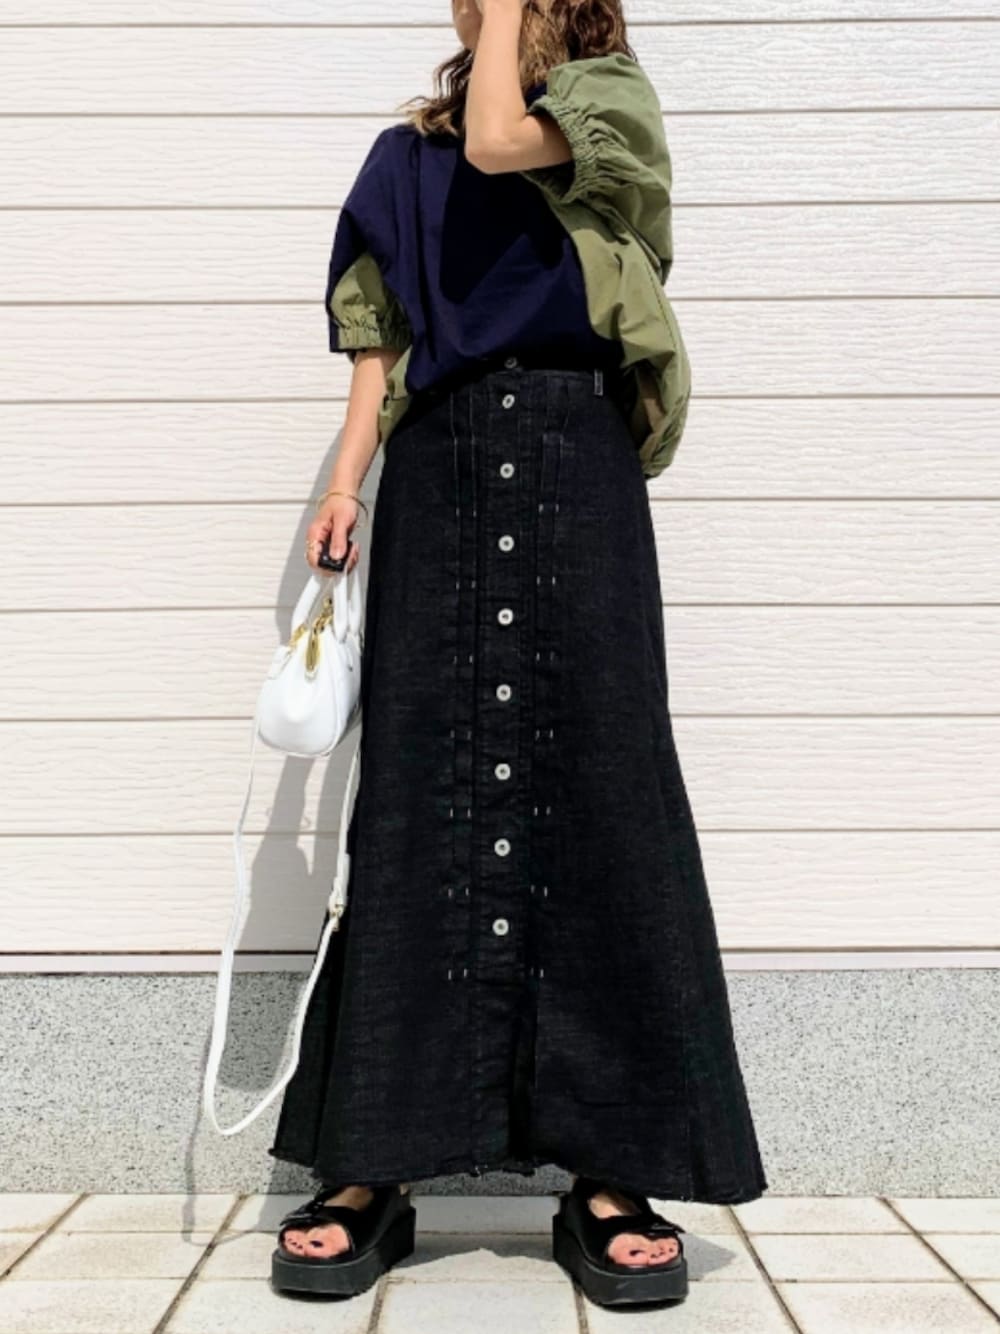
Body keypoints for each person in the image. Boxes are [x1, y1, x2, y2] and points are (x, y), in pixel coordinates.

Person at [267, 0, 768, 1309]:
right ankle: (371, 1165)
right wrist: (346, 480)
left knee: (606, 796)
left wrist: (510, 28)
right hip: (440, 470)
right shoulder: (402, 160)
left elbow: (500, 136)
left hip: (574, 458)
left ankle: (611, 1173)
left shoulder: (608, 109)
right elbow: (379, 339)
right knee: (415, 802)